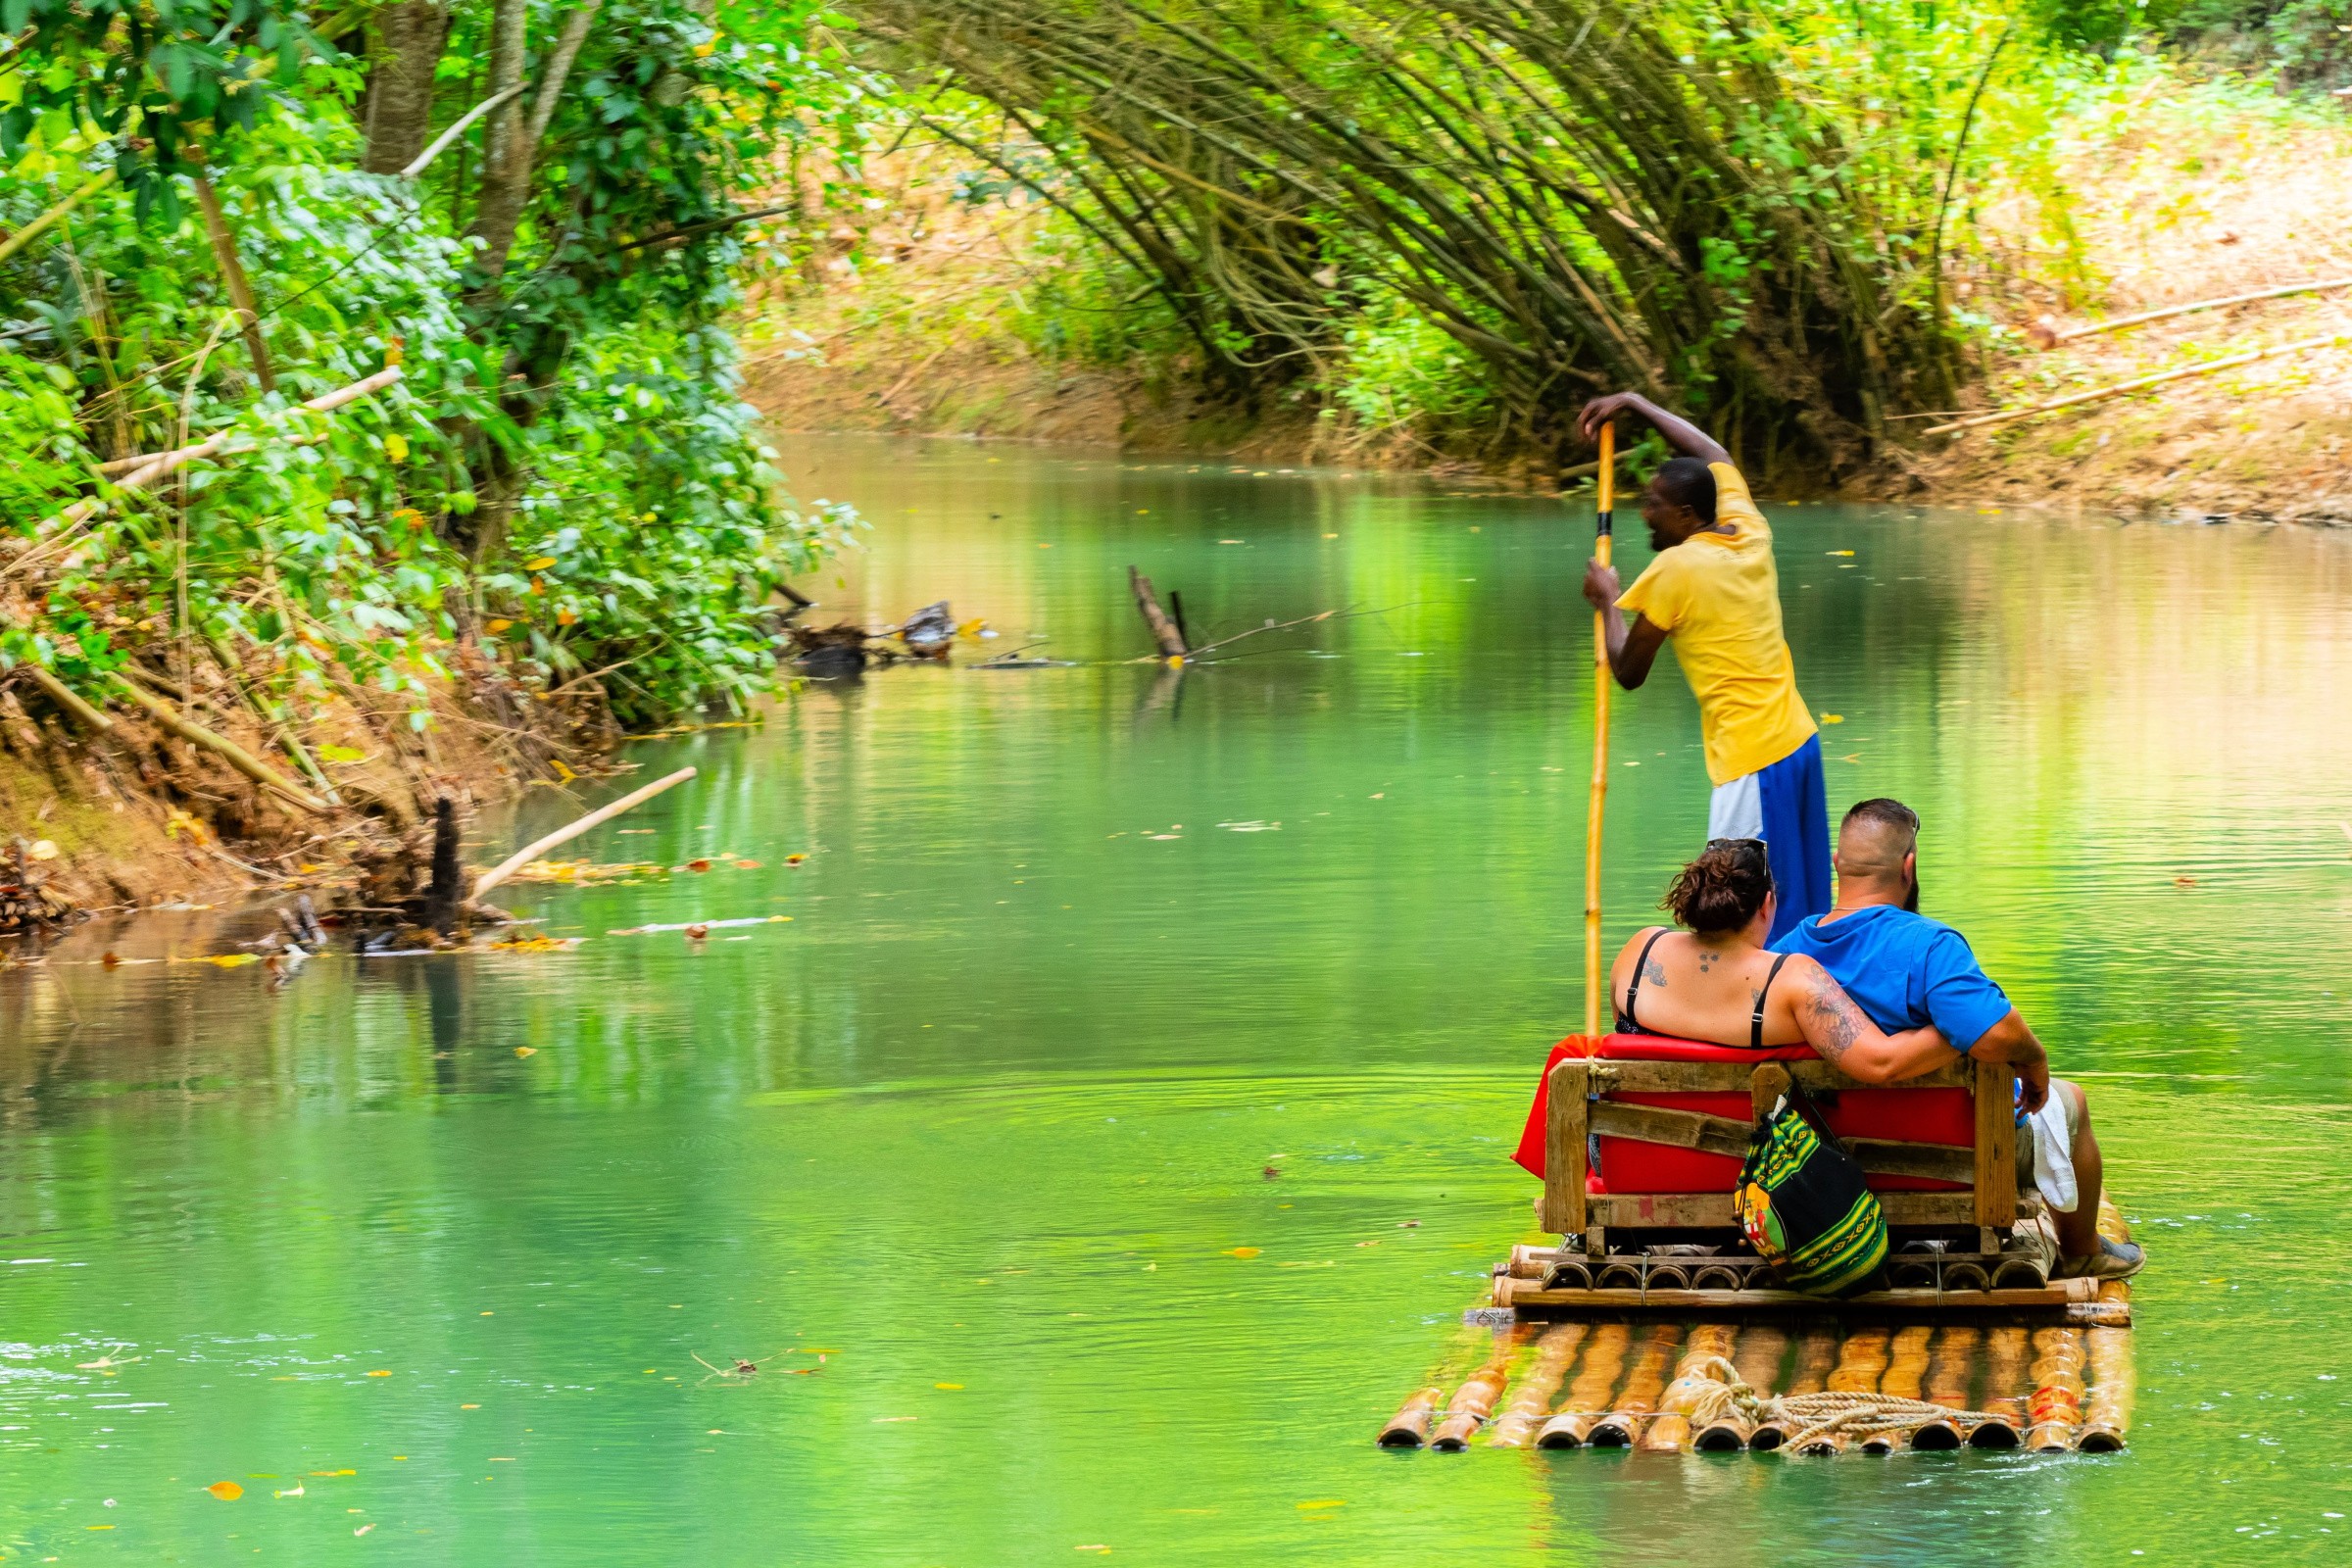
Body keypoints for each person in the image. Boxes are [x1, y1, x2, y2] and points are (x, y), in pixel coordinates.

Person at [1771, 798, 2144, 1280]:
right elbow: (1994, 1037)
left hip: (1820, 1157)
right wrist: (2035, 1060)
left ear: (1837, 865)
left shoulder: (1784, 955)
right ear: (1909, 866)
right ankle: (2082, 1250)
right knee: (2072, 1101)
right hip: (1956, 1154)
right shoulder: (1930, 947)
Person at [1577, 392, 1829, 941]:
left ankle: (1746, 1014)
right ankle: (1791, 1008)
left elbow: (1628, 669)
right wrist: (1635, 404)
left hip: (1752, 758)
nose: (1644, 513)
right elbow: (1714, 452)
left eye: (1655, 504)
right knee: (1797, 908)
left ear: (1688, 516)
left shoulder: (1678, 567)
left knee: (1733, 909)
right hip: (1798, 742)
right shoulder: (1749, 530)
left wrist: (1606, 600)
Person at [1609, 838, 1949, 1077]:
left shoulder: (1640, 951)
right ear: (1766, 904)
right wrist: (1966, 1029)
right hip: (1748, 1166)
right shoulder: (1792, 980)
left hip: (1632, 1150)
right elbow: (1880, 1063)